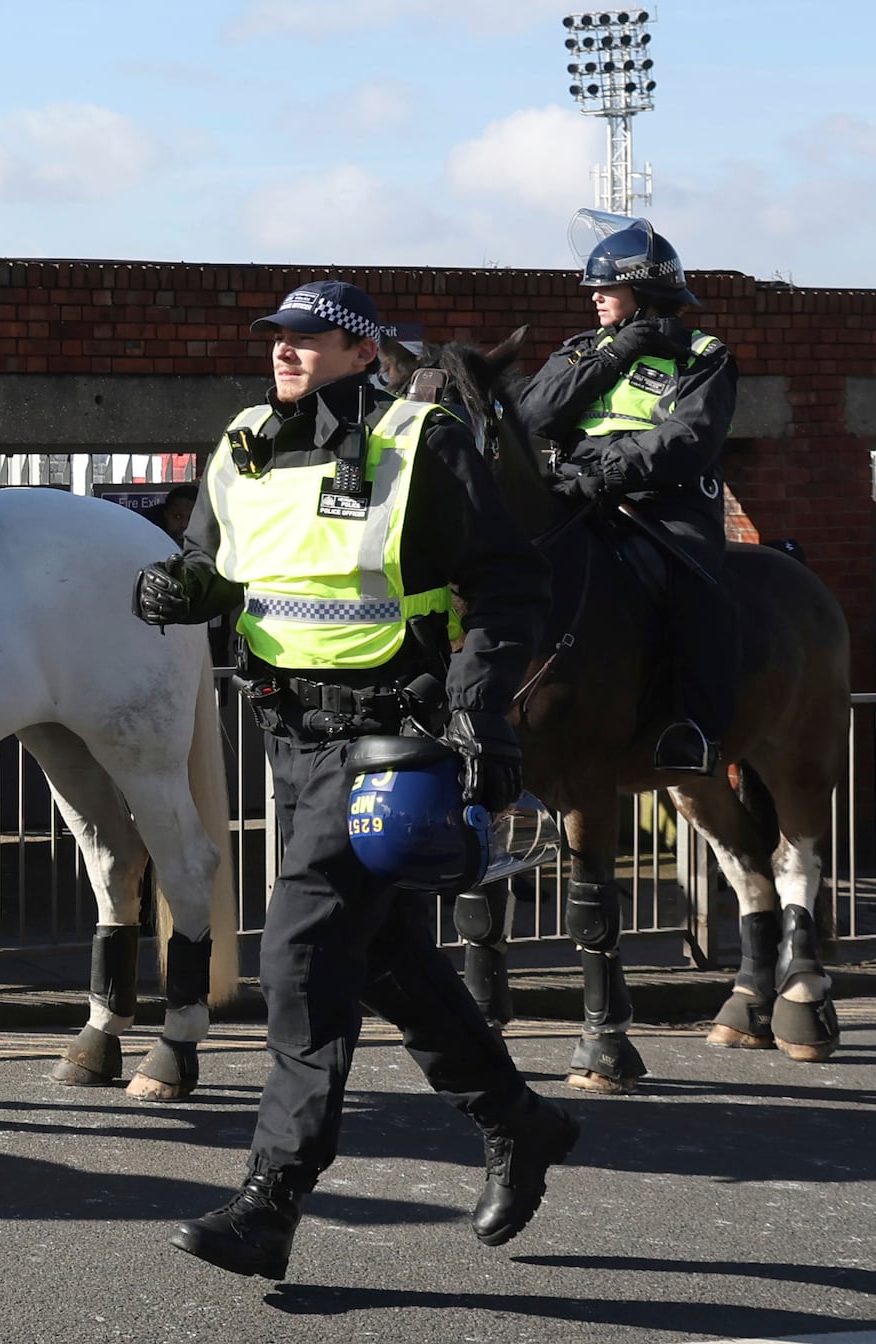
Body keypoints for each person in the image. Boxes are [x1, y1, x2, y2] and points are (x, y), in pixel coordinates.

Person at [134, 278, 577, 1278]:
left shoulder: (421, 440)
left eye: (310, 337)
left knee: (297, 958)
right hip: (290, 733)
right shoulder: (244, 439)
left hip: (393, 735)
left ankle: (272, 1198)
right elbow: (216, 564)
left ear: (360, 349)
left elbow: (511, 580)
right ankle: (519, 1119)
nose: (285, 351)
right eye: (278, 337)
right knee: (381, 962)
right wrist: (177, 584)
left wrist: (482, 702)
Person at [513, 215, 739, 773]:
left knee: (693, 584)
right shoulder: (585, 349)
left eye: (606, 287)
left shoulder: (704, 355)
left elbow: (689, 438)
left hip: (665, 506)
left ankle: (694, 729)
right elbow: (532, 414)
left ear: (645, 291)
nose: (594, 298)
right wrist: (613, 356)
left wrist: (608, 471)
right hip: (572, 496)